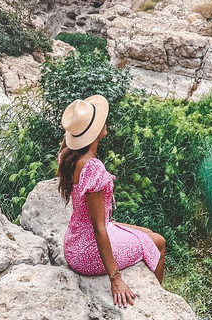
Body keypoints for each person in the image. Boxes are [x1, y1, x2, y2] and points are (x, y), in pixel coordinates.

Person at [56, 95, 166, 309]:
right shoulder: (92, 168)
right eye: (100, 121)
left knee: (146, 231)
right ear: (94, 132)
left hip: (75, 240)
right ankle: (157, 303)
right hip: (87, 250)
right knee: (158, 242)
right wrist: (115, 279)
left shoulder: (68, 155)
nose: (105, 122)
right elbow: (98, 229)